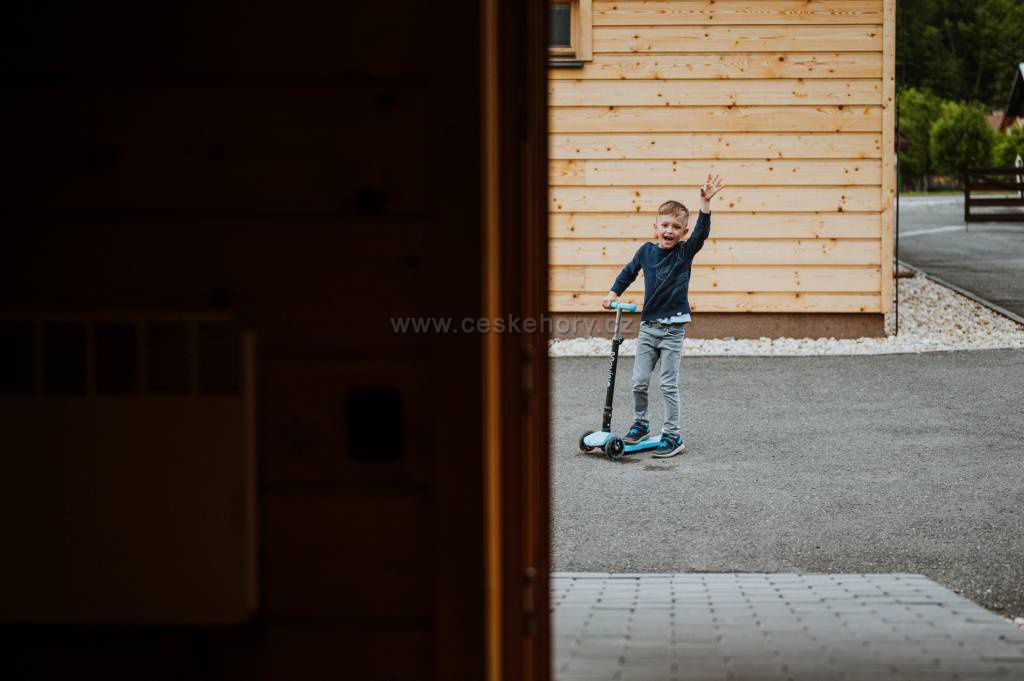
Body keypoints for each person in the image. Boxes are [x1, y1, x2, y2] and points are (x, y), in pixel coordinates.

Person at [602, 174, 725, 458]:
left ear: (683, 231)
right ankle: (641, 423)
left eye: (676, 227)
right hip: (648, 327)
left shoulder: (684, 252)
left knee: (668, 384)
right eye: (665, 225)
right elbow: (629, 272)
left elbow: (701, 234)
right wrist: (612, 294)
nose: (670, 230)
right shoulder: (646, 251)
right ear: (655, 227)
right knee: (639, 381)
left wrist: (705, 204)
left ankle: (672, 435)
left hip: (673, 329)